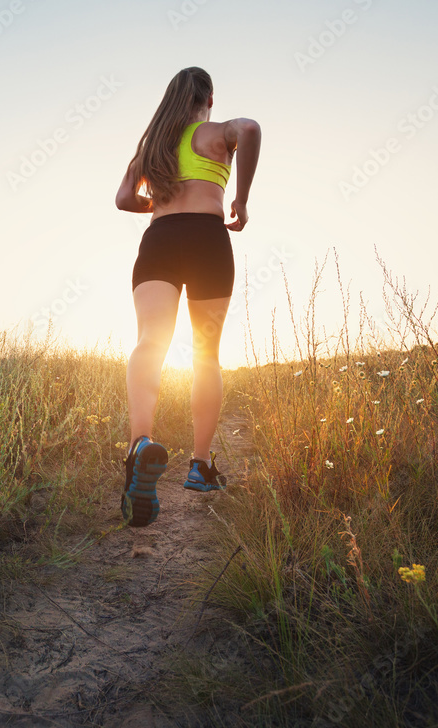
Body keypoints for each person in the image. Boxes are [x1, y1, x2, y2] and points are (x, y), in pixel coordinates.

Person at [114, 66, 261, 527]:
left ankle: (140, 443)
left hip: (160, 240)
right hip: (208, 241)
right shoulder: (218, 133)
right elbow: (252, 129)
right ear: (209, 98)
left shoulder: (151, 147)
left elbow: (122, 199)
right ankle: (199, 465)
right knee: (206, 356)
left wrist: (157, 203)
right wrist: (242, 197)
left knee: (149, 344)